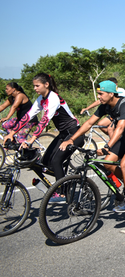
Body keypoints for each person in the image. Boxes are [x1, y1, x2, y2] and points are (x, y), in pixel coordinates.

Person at [59, 80, 125, 212]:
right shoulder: (105, 106)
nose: (98, 97)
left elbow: (120, 127)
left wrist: (107, 146)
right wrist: (71, 139)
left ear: (111, 94)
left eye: (101, 93)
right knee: (108, 164)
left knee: (124, 165)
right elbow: (89, 124)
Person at [4, 73, 84, 203]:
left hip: (75, 134)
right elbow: (28, 116)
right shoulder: (41, 99)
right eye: (34, 86)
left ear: (46, 84)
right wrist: (12, 133)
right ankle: (65, 180)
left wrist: (30, 141)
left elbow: (45, 120)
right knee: (46, 161)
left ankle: (61, 193)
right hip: (63, 134)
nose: (35, 88)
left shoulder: (53, 98)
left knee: (56, 161)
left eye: (37, 85)